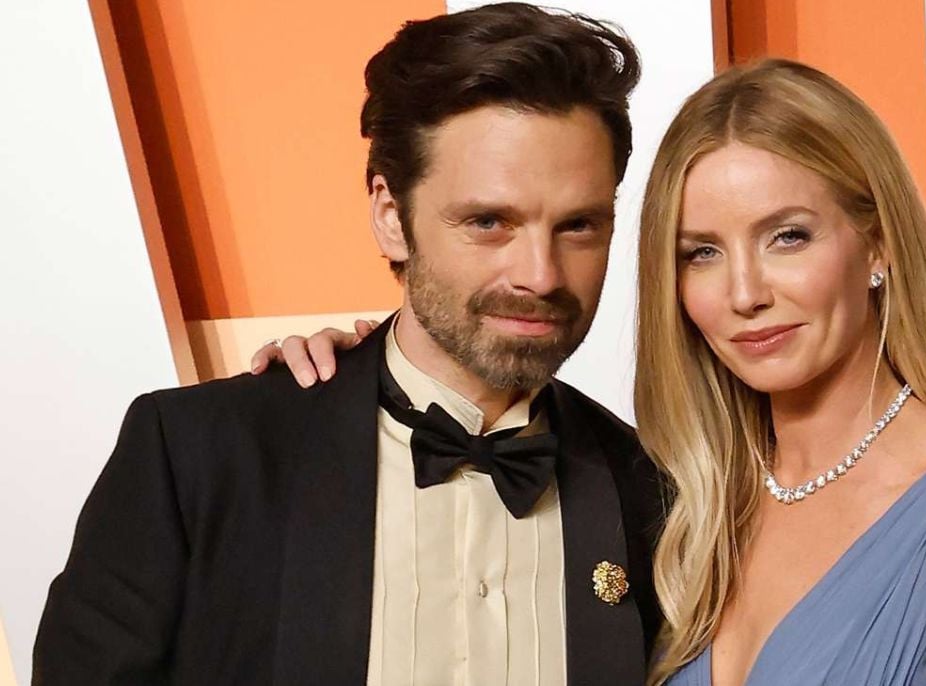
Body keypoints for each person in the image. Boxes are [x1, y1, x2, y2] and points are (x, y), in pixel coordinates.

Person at [270, 60, 926, 684]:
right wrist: (358, 375)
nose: (745, 293)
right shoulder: (681, 502)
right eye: (702, 252)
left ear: (878, 246)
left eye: (788, 236)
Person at [33, 5, 664, 685]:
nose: (540, 275)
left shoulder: (655, 494)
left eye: (579, 226)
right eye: (488, 222)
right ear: (391, 217)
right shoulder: (200, 458)